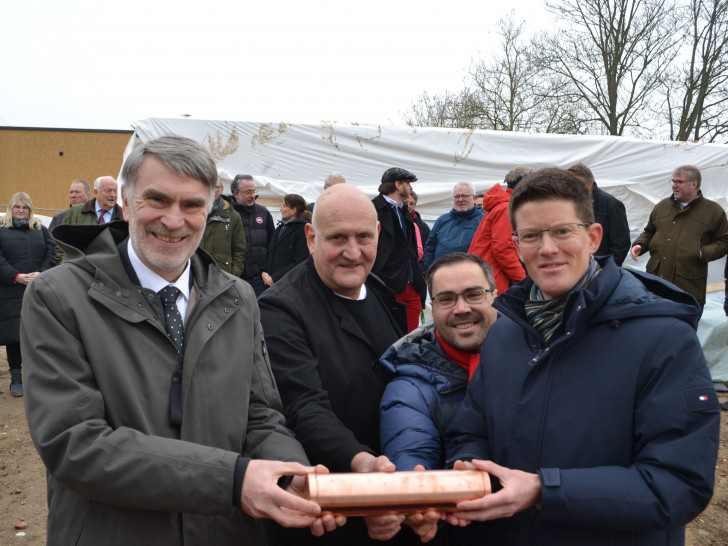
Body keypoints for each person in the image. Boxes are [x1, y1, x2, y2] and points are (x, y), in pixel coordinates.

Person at [20, 136, 340, 545]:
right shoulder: (57, 297)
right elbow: (75, 443)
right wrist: (233, 480)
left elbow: (260, 416)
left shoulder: (239, 298)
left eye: (191, 205)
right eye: (157, 200)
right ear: (126, 200)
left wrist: (293, 474)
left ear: (210, 208)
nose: (174, 221)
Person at [444, 168, 720, 545]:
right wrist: (469, 472)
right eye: (531, 236)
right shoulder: (505, 332)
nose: (547, 249)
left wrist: (545, 490)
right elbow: (470, 429)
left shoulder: (664, 337)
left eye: (562, 231)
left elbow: (678, 483)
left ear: (592, 238)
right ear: (516, 244)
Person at [257, 184, 421, 545]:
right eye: (337, 238)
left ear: (378, 234)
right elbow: (303, 405)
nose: (352, 252)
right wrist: (362, 462)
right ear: (311, 238)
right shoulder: (280, 309)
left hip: (392, 491)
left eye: (363, 237)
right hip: (326, 506)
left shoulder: (378, 290)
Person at [380, 252, 498, 470]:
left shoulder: (533, 357)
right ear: (432, 308)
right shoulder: (410, 389)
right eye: (446, 299)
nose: (461, 309)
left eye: (473, 295)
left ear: (494, 297)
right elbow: (412, 461)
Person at [631, 165, 728, 307]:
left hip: (688, 287)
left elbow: (724, 241)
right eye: (673, 181)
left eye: (679, 182)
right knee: (653, 326)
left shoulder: (713, 211)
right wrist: (640, 244)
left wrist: (702, 253)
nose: (674, 186)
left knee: (682, 327)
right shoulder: (662, 206)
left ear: (694, 184)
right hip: (656, 283)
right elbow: (649, 232)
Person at [0, 192, 55, 397]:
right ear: (11, 208)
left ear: (30, 209)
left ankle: (37, 377)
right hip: (10, 290)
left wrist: (42, 273)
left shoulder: (40, 230)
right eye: (17, 207)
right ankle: (16, 377)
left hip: (38, 290)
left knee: (37, 334)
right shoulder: (2, 231)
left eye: (25, 207)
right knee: (15, 336)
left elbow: (52, 253)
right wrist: (16, 276)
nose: (21, 211)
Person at [372, 167, 427, 332]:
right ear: (397, 184)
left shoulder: (403, 210)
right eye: (408, 183)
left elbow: (410, 248)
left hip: (412, 287)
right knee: (391, 338)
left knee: (410, 339)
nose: (411, 188)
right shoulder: (373, 209)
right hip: (389, 286)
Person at [468, 167, 532, 294]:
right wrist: (522, 280)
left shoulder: (503, 205)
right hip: (494, 278)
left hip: (486, 274)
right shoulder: (506, 208)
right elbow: (503, 249)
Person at [566, 162, 630, 266]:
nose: (570, 189)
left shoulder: (611, 204)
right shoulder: (568, 202)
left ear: (589, 184)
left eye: (573, 185)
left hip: (599, 270)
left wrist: (605, 270)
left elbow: (621, 245)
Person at [55, 176, 124, 263]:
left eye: (115, 191)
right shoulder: (75, 212)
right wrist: (64, 266)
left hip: (109, 270)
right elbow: (61, 243)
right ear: (96, 192)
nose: (113, 195)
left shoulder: (124, 217)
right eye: (108, 191)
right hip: (78, 269)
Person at [231, 174, 275, 296]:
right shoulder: (227, 214)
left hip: (259, 280)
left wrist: (266, 270)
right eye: (248, 192)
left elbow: (273, 244)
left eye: (254, 191)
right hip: (234, 280)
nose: (252, 196)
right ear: (236, 193)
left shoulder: (264, 213)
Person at [423, 182, 483, 271]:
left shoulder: (483, 220)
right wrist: (430, 271)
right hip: (442, 276)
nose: (460, 199)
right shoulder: (442, 220)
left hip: (470, 276)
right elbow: (430, 247)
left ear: (474, 198)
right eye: (457, 196)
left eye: (464, 196)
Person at [199, 178, 246, 276]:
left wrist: (233, 275)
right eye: (209, 187)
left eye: (215, 187)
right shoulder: (192, 212)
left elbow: (239, 249)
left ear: (222, 189)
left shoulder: (233, 216)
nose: (212, 190)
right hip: (195, 274)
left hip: (222, 277)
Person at [262, 193, 311, 287]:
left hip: (287, 286)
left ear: (293, 210)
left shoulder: (302, 230)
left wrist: (275, 278)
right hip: (271, 283)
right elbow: (271, 251)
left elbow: (301, 262)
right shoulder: (281, 227)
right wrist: (265, 271)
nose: (281, 209)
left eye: (284, 206)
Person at [405, 191, 430, 267]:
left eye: (412, 204)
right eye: (405, 202)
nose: (408, 206)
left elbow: (427, 248)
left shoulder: (422, 226)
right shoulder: (394, 220)